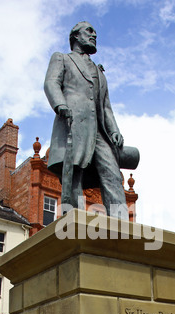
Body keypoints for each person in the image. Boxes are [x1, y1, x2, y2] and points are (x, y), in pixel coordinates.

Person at [44, 21, 139, 220]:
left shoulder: (99, 72)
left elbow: (105, 107)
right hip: (73, 124)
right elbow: (51, 82)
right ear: (75, 36)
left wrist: (114, 130)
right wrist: (60, 105)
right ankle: (75, 219)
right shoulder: (62, 58)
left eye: (95, 32)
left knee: (112, 174)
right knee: (74, 175)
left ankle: (121, 224)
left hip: (99, 132)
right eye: (89, 31)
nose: (94, 35)